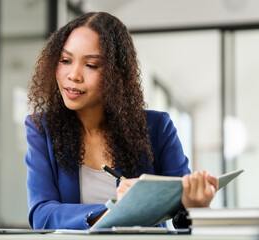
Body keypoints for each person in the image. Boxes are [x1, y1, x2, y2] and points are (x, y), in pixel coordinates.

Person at [24, 12, 218, 230]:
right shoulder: (42, 128)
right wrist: (115, 212)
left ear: (116, 74)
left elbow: (182, 216)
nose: (74, 75)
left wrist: (196, 207)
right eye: (65, 60)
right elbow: (42, 214)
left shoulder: (157, 128)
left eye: (91, 65)